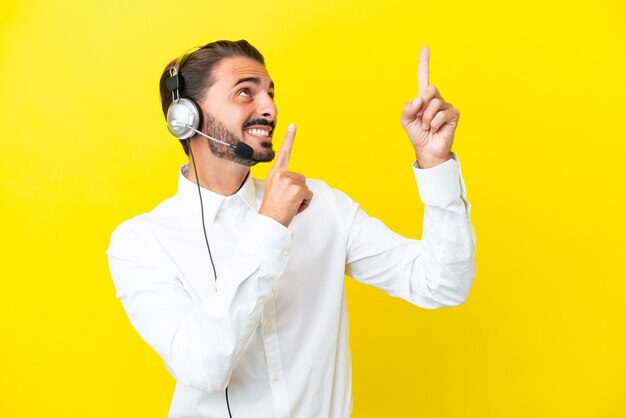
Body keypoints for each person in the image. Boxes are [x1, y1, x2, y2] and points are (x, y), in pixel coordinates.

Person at [107, 39, 476, 418]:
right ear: (186, 116)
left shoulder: (322, 206)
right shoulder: (141, 243)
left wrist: (436, 165)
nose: (269, 108)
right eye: (245, 92)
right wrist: (270, 225)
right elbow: (203, 368)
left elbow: (442, 284)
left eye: (270, 93)